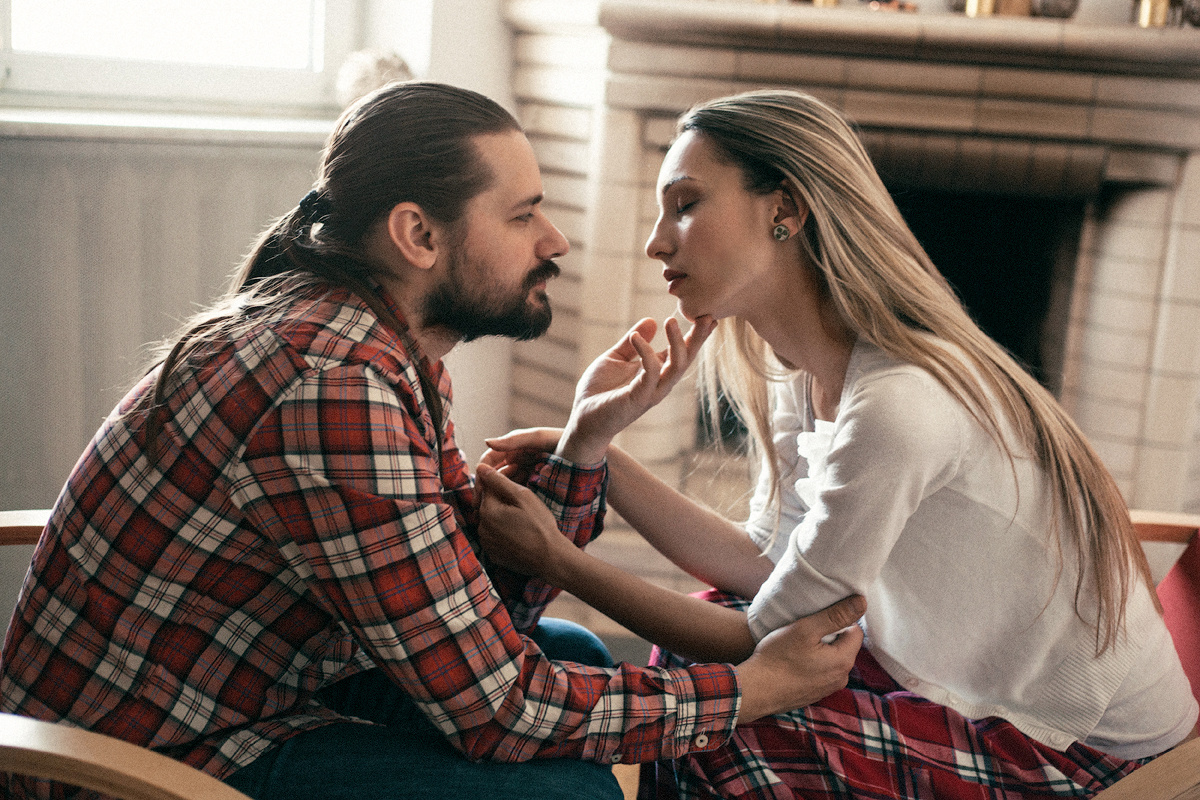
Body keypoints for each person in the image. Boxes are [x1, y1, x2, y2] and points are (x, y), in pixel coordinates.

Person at [0, 81, 866, 800]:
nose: (555, 240)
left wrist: (585, 445)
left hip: (260, 686)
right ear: (418, 235)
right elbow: (497, 707)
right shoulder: (334, 385)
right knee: (573, 791)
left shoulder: (378, 348)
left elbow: (479, 610)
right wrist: (757, 688)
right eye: (523, 214)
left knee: (570, 651)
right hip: (145, 762)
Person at [475, 88, 1199, 799]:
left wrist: (556, 559)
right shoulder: (809, 375)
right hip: (944, 672)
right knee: (698, 655)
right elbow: (767, 564)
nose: (656, 240)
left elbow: (766, 631)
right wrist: (600, 445)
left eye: (687, 204)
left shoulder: (897, 402)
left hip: (1078, 748)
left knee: (717, 724)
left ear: (784, 210)